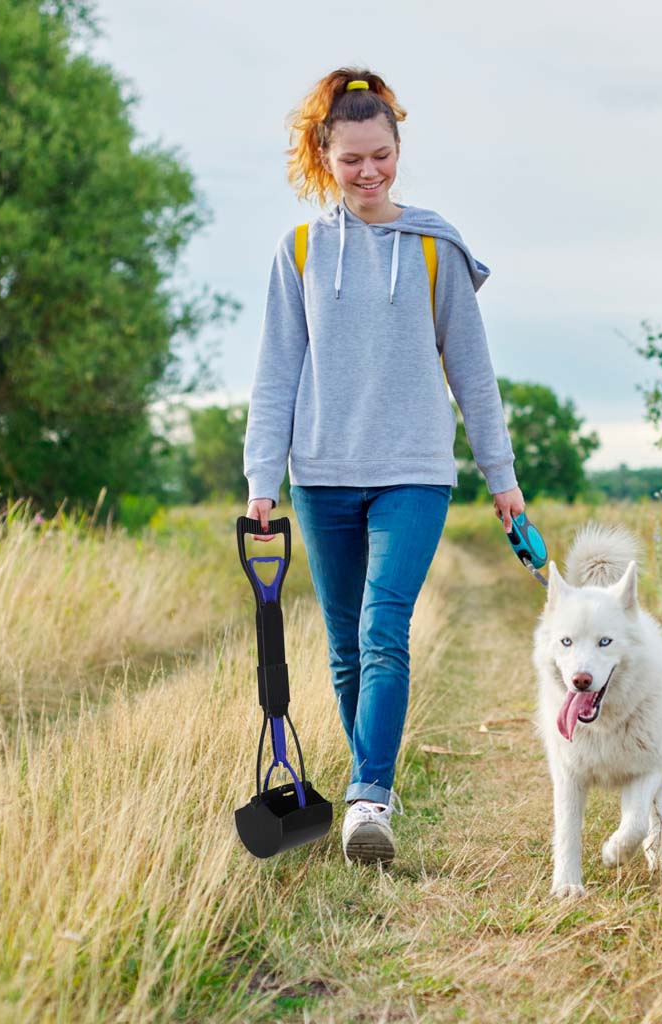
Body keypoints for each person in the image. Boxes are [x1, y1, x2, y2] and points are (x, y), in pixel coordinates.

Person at [243, 67, 525, 866]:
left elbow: (472, 372)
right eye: (352, 160)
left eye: (381, 156)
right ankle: (371, 786)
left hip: (414, 470)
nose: (369, 173)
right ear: (324, 156)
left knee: (382, 628)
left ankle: (369, 796)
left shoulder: (435, 248)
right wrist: (262, 478)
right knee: (344, 646)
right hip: (322, 473)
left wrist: (500, 476)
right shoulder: (300, 250)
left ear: (400, 148)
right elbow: (276, 371)